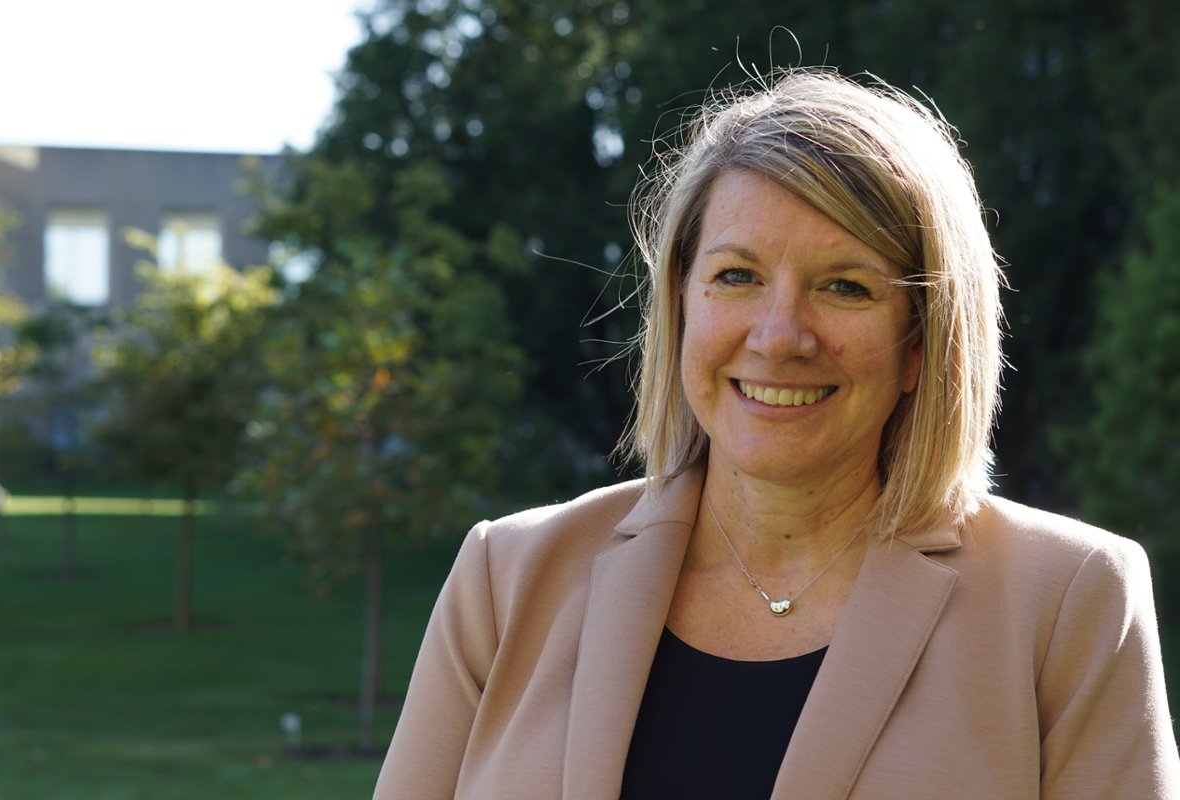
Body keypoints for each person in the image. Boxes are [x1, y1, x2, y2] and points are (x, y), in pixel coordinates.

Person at [373, 70, 1180, 799]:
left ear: (921, 343)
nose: (779, 335)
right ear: (680, 306)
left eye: (844, 286)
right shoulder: (506, 580)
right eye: (738, 276)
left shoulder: (1069, 603)